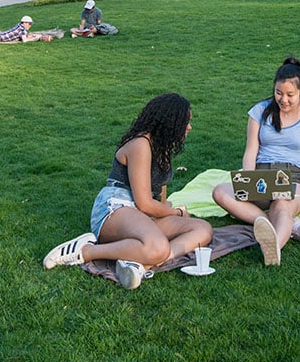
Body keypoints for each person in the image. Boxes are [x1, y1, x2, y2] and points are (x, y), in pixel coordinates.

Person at [43, 93, 213, 290]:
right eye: (186, 121)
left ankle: (142, 263)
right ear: (170, 122)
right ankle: (87, 250)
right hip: (116, 208)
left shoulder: (163, 148)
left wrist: (166, 211)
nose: (189, 127)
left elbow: (158, 198)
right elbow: (145, 203)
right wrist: (177, 213)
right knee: (158, 245)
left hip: (142, 215)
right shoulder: (141, 145)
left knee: (203, 229)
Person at [212, 57, 300, 266]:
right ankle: (281, 225)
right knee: (220, 192)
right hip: (263, 176)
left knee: (281, 204)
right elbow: (250, 151)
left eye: (290, 95)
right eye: (279, 93)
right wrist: (248, 179)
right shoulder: (259, 111)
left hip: (295, 176)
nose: (283, 99)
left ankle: (273, 248)